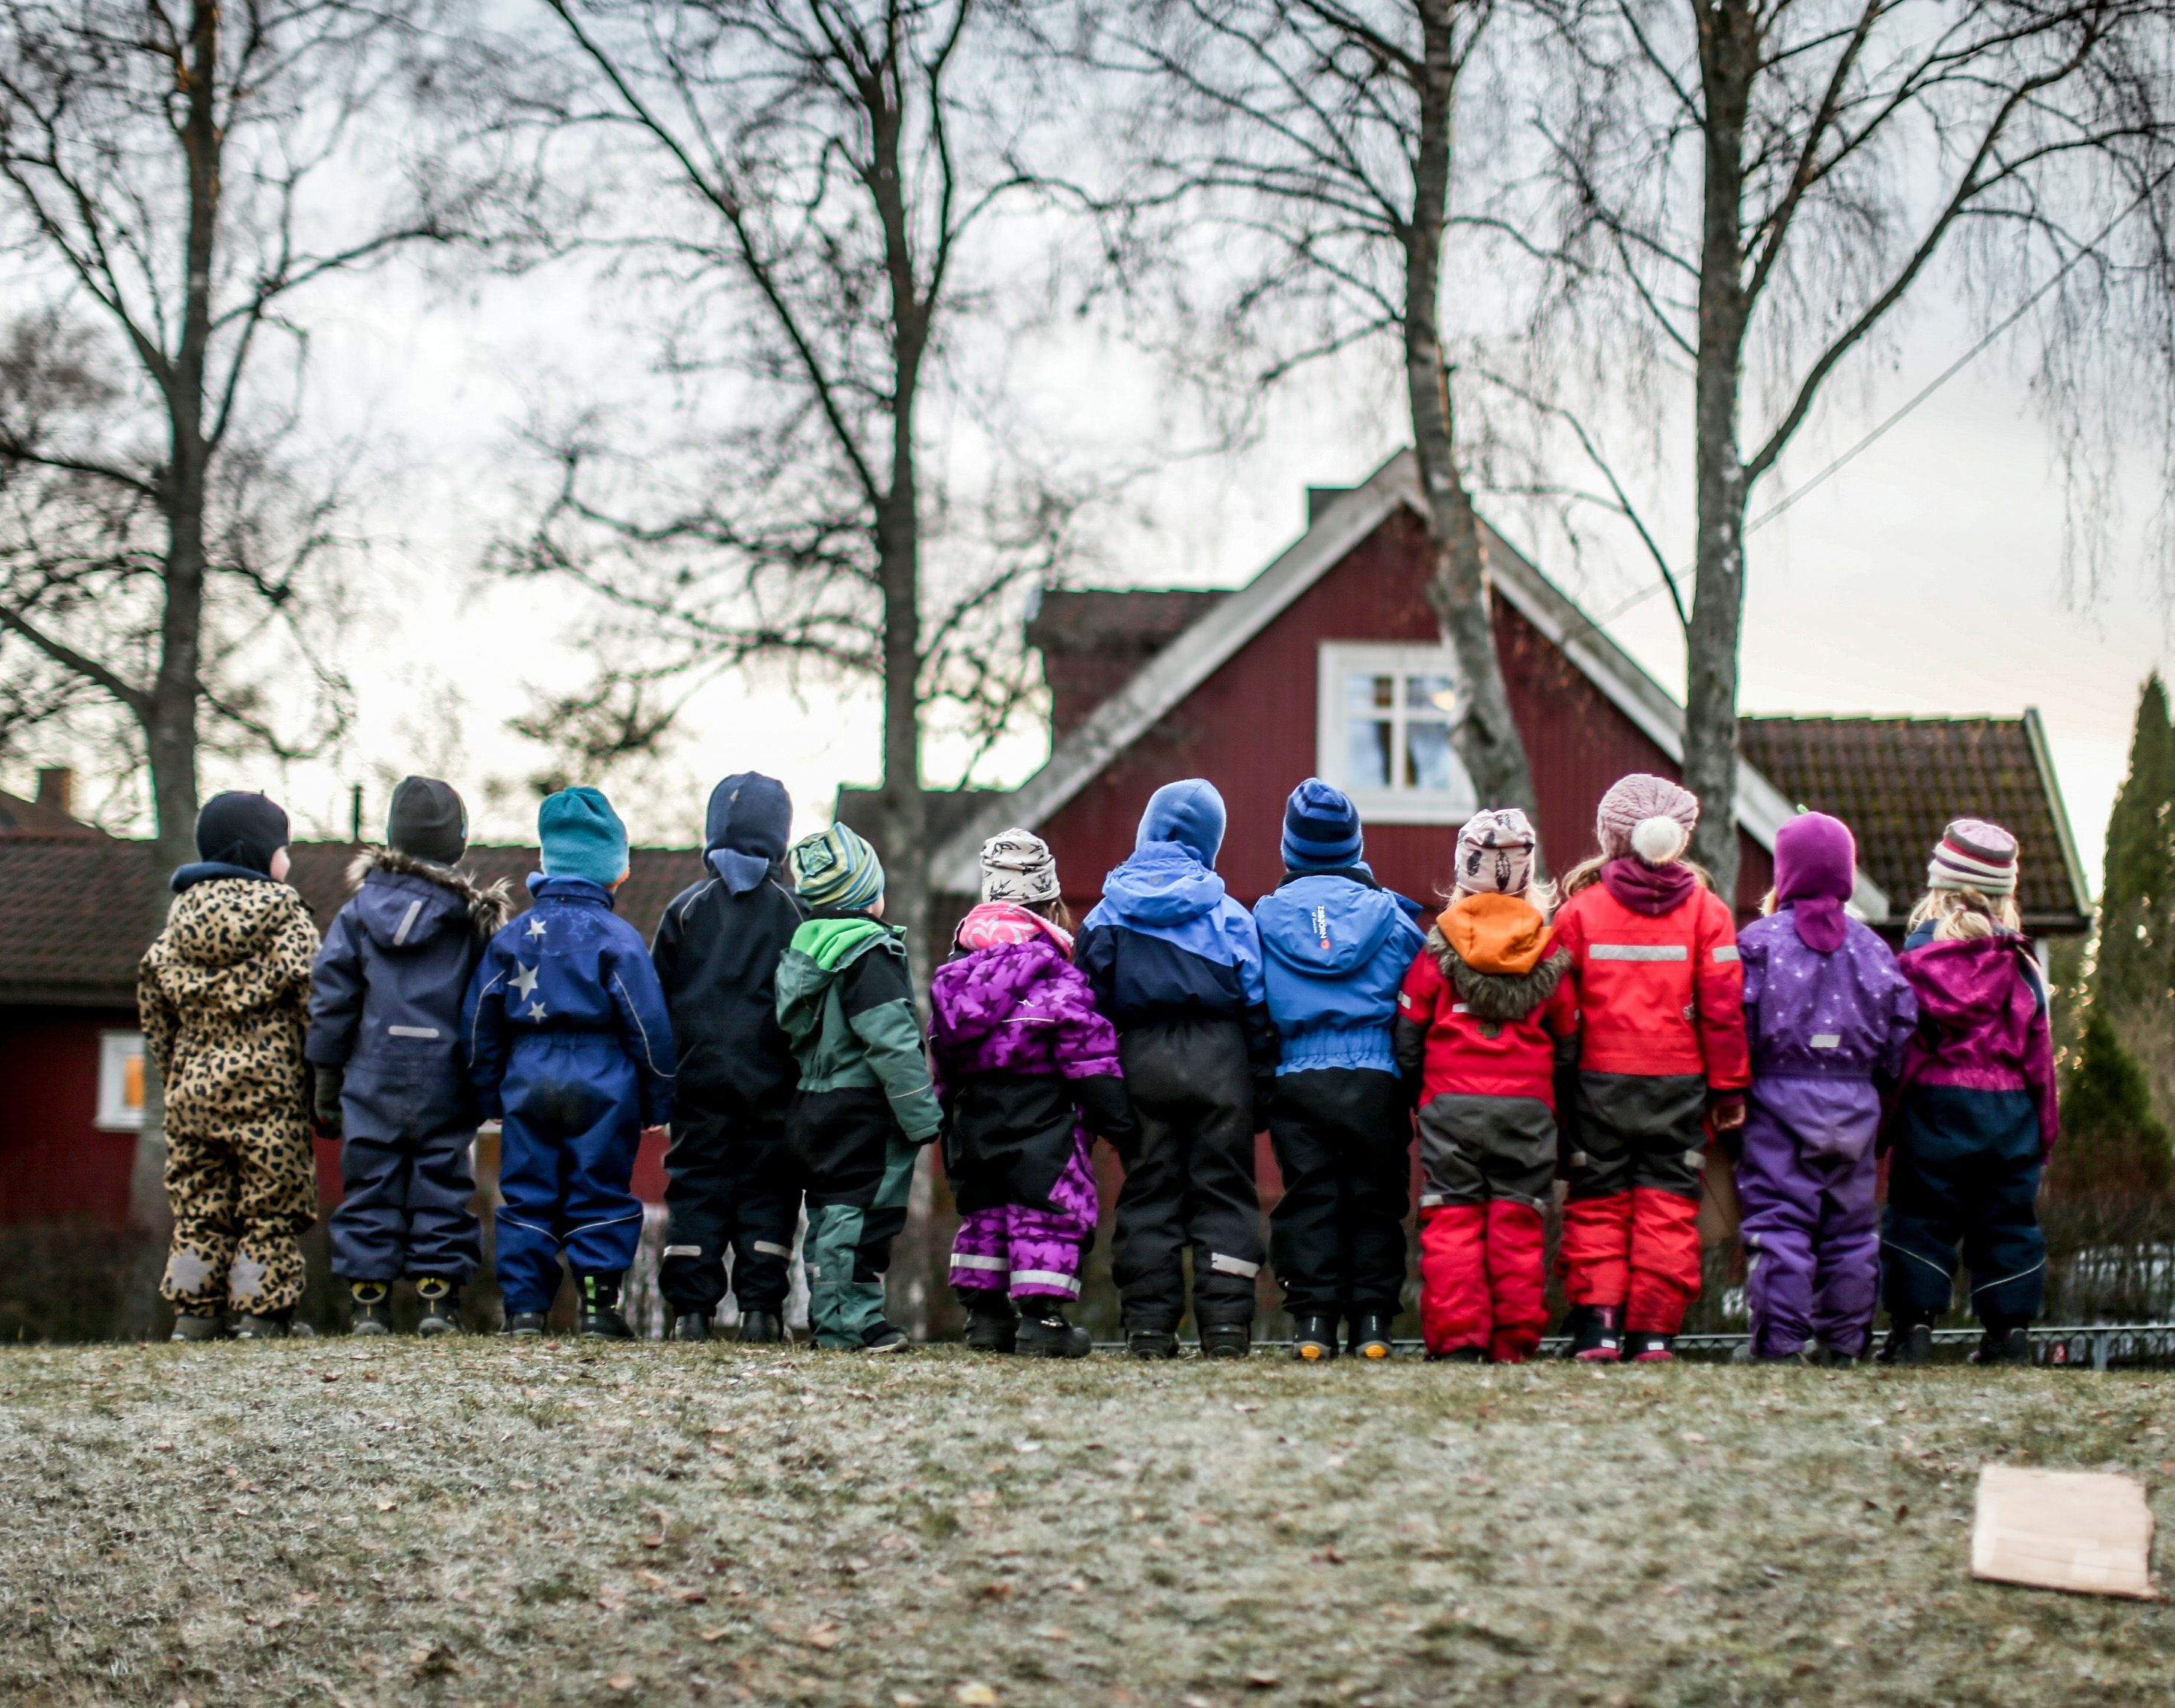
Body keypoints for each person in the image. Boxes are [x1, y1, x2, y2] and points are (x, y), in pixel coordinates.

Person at [1552, 774, 1749, 1362]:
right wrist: (1730, 1087)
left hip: (1598, 1087)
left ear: (1612, 837)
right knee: (1667, 1207)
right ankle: (1654, 1335)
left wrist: (1560, 1085)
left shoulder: (1578, 912)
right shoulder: (1709, 914)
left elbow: (1560, 1011)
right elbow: (1723, 1008)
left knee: (1598, 1204)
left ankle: (1599, 1329)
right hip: (1680, 1088)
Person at [464, 788, 674, 1338]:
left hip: (528, 1078)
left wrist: (488, 1095)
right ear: (614, 872)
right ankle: (599, 1308)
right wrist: (657, 1099)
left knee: (528, 1189)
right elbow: (648, 1025)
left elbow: (481, 1019)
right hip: (604, 1083)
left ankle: (525, 1309)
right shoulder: (620, 939)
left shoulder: (512, 937)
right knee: (598, 1186)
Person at [1077, 779, 1275, 1360]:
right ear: (1209, 844)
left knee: (1147, 1192)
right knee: (1226, 1192)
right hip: (1221, 1061)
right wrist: (1261, 1086)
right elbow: (1257, 1006)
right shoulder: (1230, 914)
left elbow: (1088, 1010)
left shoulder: (1106, 914)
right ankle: (1226, 1328)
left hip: (1140, 1061)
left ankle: (1148, 1326)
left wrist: (1104, 1096)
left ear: (1145, 831)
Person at [309, 776, 509, 1335]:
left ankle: (368, 1301)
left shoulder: (357, 914)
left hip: (372, 1071)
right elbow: (484, 1006)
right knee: (442, 1180)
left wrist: (325, 1073)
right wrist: (486, 1079)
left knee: (371, 1179)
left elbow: (332, 996)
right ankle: (435, 1300)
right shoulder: (473, 922)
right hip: (445, 1074)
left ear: (393, 836)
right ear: (459, 842)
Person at [929, 829, 1137, 1358]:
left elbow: (940, 1050)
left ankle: (985, 1317)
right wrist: (1118, 1120)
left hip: (973, 1117)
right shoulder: (1057, 978)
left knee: (986, 1212)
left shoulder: (954, 976)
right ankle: (1042, 1320)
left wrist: (939, 1111)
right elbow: (1089, 1053)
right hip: (1043, 1118)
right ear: (1049, 903)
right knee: (1045, 1214)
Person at [1395, 808, 1578, 1364]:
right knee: (1518, 1221)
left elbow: (1408, 1031)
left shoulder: (1439, 947)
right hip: (1526, 1108)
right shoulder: (1546, 948)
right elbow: (1568, 1034)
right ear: (1527, 876)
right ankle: (1512, 1342)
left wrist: (1419, 1091)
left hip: (1449, 1105)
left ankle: (1459, 1341)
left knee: (1452, 1219)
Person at [138, 791, 322, 1340]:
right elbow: (316, 995)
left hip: (192, 1094)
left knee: (200, 1206)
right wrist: (318, 1074)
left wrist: (175, 1070)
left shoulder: (178, 921)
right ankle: (262, 1315)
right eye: (283, 849)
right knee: (270, 1207)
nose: (288, 861)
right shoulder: (287, 916)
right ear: (258, 852)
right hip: (268, 1093)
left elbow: (154, 1008)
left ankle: (193, 1314)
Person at [1734, 812, 1916, 1363]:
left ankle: (1781, 1342)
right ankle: (1844, 1341)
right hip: (1856, 1103)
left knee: (1781, 1222)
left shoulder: (1759, 944)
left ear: (1785, 872)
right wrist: (1879, 1088)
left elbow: (1735, 1019)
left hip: (1778, 1102)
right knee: (1851, 1231)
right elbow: (1900, 1026)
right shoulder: (1873, 949)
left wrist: (1733, 1087)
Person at [1253, 779, 1423, 1361]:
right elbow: (1422, 986)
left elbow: (1250, 993)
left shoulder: (1265, 919)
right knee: (1376, 1198)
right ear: (1354, 844)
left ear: (1289, 848)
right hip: (1376, 1072)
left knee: (1309, 1196)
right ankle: (1374, 1320)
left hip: (1298, 1074)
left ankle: (1313, 1323)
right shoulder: (1392, 918)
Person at [1879, 820, 2058, 1366]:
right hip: (2008, 1111)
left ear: (1937, 892)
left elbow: (1896, 1052)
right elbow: (2040, 1062)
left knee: (1919, 1214)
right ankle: (2008, 1335)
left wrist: (1886, 1126)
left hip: (1932, 1106)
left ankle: (1912, 1331)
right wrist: (2044, 1131)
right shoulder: (2022, 970)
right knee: (2007, 1219)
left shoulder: (1910, 968)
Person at [651, 773, 807, 1343]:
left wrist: (664, 1077)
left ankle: (691, 1313)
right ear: (779, 840)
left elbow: (657, 998)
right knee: (768, 1187)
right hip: (774, 1081)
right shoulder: (796, 910)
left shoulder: (685, 909)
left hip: (698, 1082)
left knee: (696, 1185)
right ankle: (761, 1311)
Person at [775, 822, 942, 1351]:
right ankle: (852, 1320)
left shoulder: (804, 951)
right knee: (860, 1216)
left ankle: (833, 1316)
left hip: (811, 1101)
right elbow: (891, 1041)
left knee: (828, 1216)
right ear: (866, 894)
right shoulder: (869, 954)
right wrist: (922, 1114)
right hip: (861, 1108)